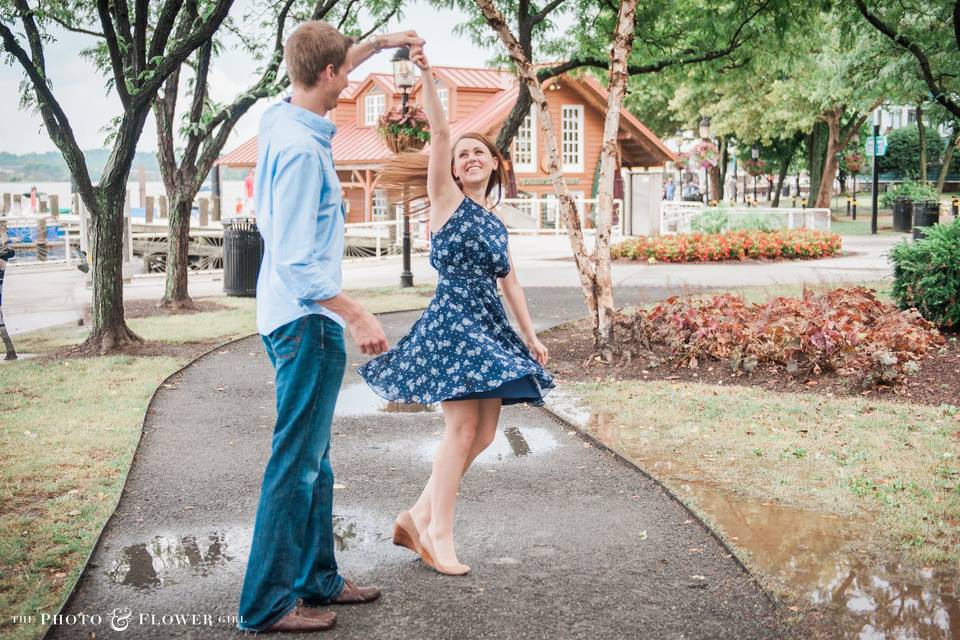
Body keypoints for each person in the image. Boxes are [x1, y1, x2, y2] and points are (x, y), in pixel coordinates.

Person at [236, 22, 423, 634]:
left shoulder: (279, 118)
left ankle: (317, 579)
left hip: (291, 319)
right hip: (304, 323)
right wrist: (358, 312)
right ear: (330, 77)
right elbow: (293, 258)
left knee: (315, 461)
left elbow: (324, 66)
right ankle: (266, 604)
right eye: (344, 70)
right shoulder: (296, 149)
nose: (350, 78)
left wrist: (380, 43)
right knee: (295, 463)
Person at [357, 45, 555, 576]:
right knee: (461, 430)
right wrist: (425, 75)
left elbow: (510, 279)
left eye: (479, 153)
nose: (468, 158)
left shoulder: (494, 219)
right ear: (450, 167)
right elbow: (441, 135)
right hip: (453, 323)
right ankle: (437, 533)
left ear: (494, 164)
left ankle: (415, 515)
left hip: (487, 325)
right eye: (461, 154)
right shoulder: (445, 200)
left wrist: (530, 336)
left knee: (485, 433)